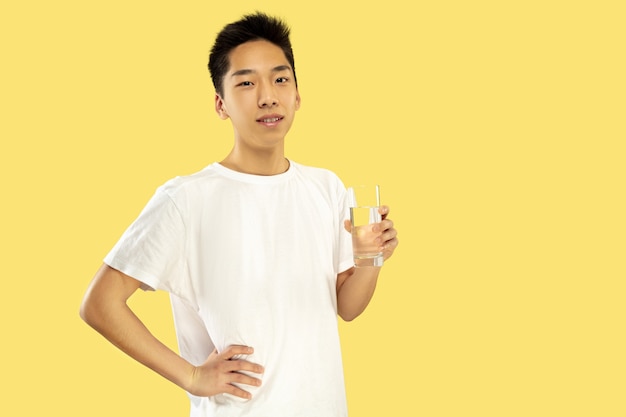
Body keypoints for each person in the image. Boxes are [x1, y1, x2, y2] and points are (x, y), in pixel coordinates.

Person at [80, 12, 399, 417]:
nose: (268, 96)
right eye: (246, 83)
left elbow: (347, 307)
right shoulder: (186, 199)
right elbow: (99, 304)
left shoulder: (326, 188)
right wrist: (192, 377)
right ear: (220, 104)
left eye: (280, 79)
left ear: (298, 95)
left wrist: (369, 261)